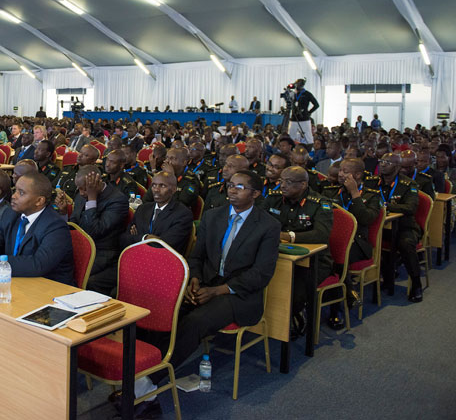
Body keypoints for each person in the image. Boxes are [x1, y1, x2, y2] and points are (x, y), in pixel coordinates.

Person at [132, 170, 278, 415]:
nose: (232, 190)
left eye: (240, 187)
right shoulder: (213, 216)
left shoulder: (268, 226)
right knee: (167, 310)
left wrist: (217, 291)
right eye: (230, 185)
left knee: (195, 321)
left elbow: (261, 274)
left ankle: (148, 382)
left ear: (255, 194)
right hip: (205, 286)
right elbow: (197, 256)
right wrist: (195, 282)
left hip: (238, 295)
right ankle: (142, 369)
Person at [0, 172, 74, 285]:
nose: (13, 196)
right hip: (14, 281)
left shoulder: (55, 226)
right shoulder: (11, 214)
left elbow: (37, 265)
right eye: (15, 190)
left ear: (39, 201)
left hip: (49, 289)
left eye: (21, 193)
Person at [263, 166, 333, 338]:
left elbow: (322, 235)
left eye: (288, 182)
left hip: (314, 262)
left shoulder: (320, 203)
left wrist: (288, 236)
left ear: (303, 184)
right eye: (281, 181)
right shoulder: (274, 198)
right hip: (279, 257)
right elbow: (258, 221)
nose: (282, 186)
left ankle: (295, 318)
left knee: (293, 294)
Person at [326, 158, 382, 328]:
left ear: (357, 174)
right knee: (326, 256)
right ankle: (350, 292)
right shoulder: (332, 191)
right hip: (332, 240)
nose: (340, 174)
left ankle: (338, 310)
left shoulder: (372, 195)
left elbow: (366, 219)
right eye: (340, 170)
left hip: (358, 243)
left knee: (336, 259)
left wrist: (355, 194)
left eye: (345, 171)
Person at [57, 166, 128, 295]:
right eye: (78, 188)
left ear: (98, 182)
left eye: (84, 188)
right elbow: (74, 224)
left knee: (82, 278)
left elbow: (95, 231)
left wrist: (92, 198)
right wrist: (64, 213)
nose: (81, 192)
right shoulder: (81, 195)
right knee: (55, 268)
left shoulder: (118, 200)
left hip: (103, 254)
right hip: (79, 248)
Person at [378, 152, 424, 302]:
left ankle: (416, 283)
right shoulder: (373, 182)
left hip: (405, 227)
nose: (383, 164)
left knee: (405, 243)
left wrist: (386, 206)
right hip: (381, 228)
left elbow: (410, 208)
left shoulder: (409, 185)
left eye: (388, 162)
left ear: (397, 167)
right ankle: (386, 275)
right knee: (367, 243)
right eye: (382, 161)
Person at [120, 171, 193, 255]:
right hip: (137, 257)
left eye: (162, 186)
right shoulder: (142, 209)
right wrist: (145, 237)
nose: (156, 190)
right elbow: (124, 239)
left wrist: (137, 237)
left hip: (163, 263)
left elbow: (165, 246)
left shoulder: (183, 214)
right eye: (154, 185)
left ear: (173, 189)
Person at [288, 78, 319, 147]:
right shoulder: (293, 94)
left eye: (299, 84)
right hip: (294, 118)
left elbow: (316, 105)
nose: (297, 86)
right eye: (296, 84)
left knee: (308, 137)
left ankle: (309, 150)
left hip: (304, 118)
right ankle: (291, 149)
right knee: (291, 136)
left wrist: (309, 112)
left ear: (302, 85)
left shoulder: (307, 94)